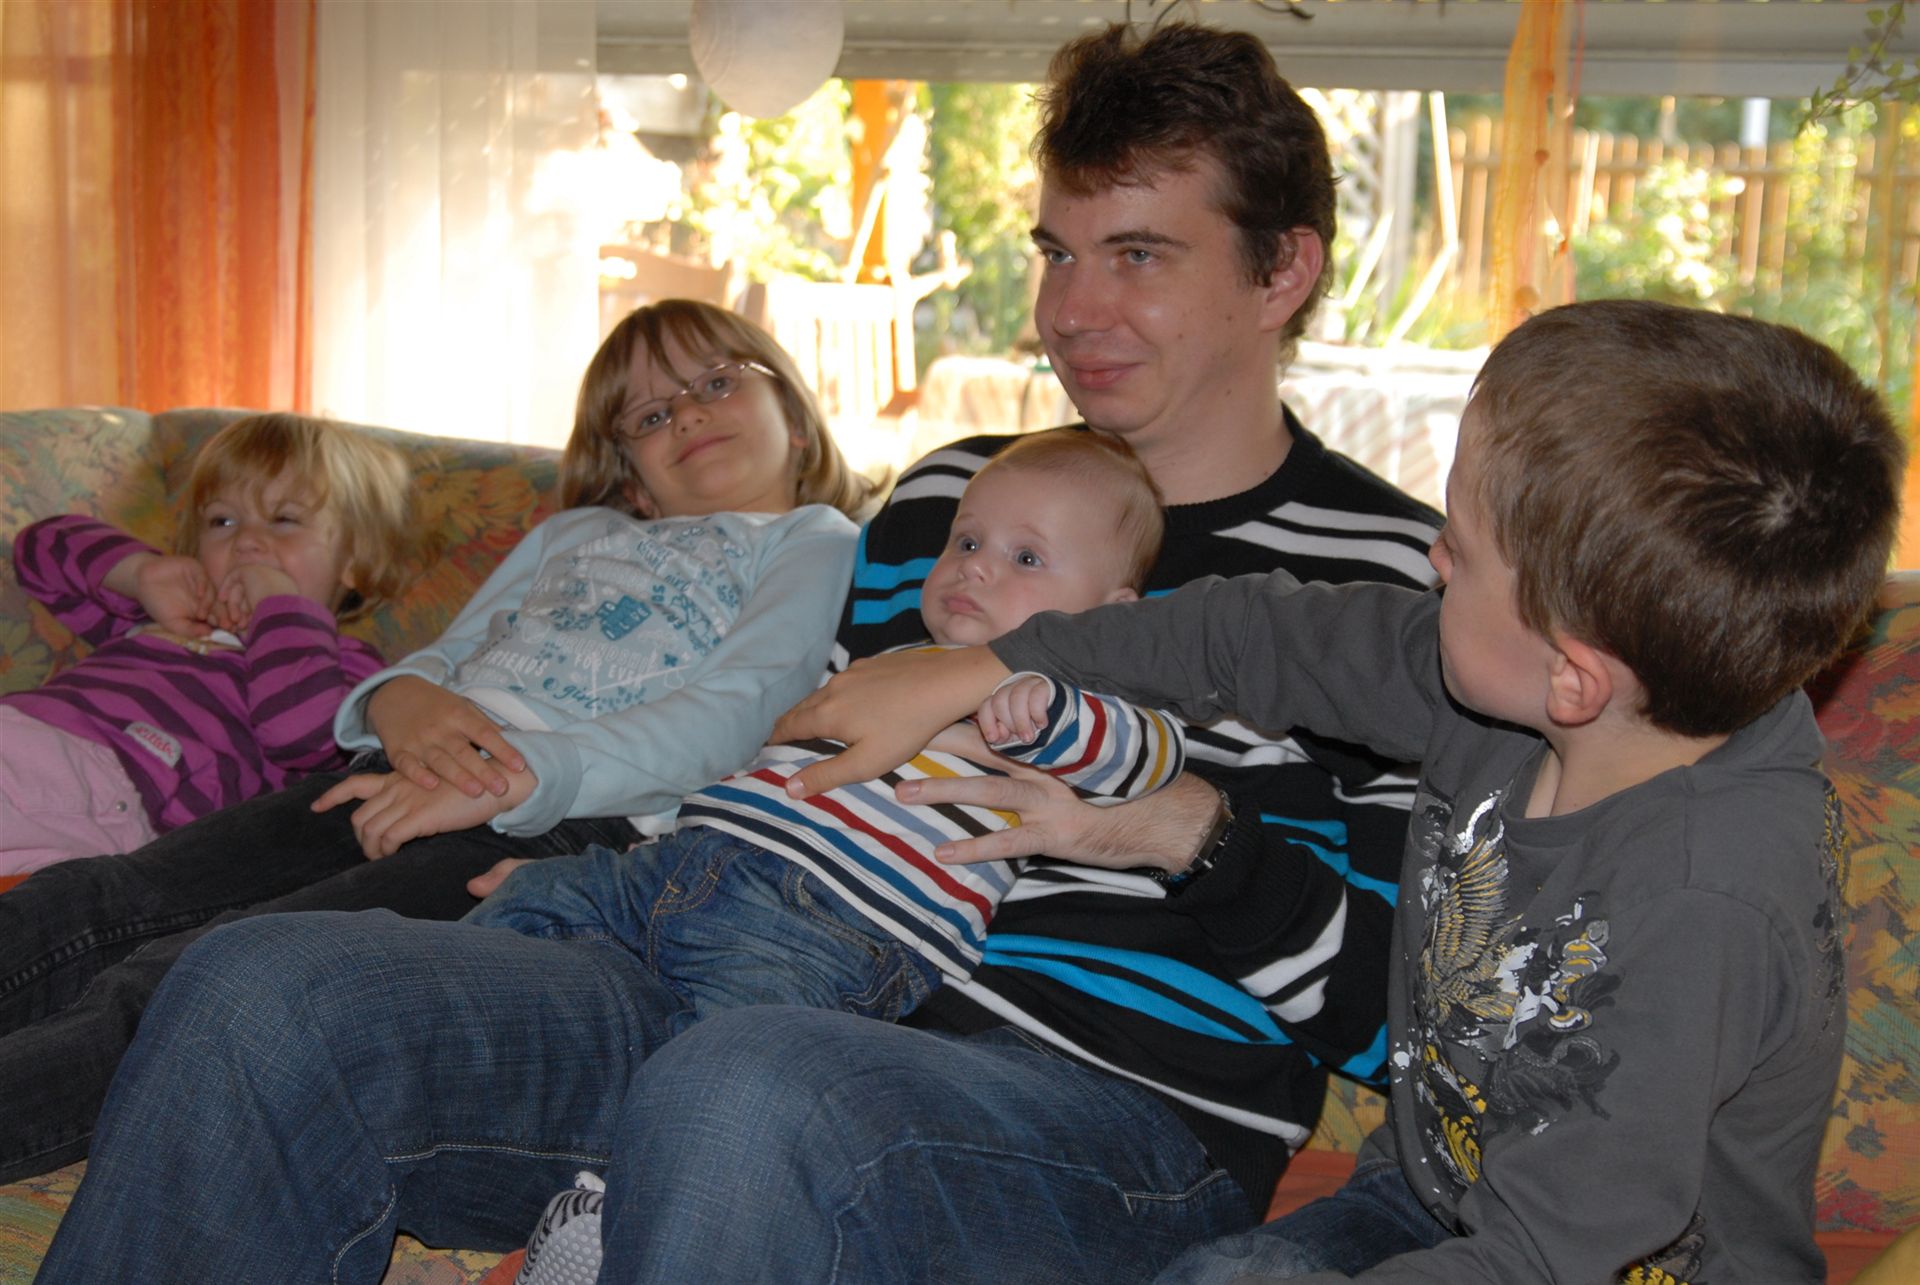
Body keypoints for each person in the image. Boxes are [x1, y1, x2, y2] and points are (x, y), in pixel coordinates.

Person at [33, 22, 1442, 1282]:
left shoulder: (1391, 579)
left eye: (1138, 255)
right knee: (266, 986)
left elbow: (1402, 1016)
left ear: (1282, 269)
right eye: (1057, 253)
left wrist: (1190, 832)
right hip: (728, 978)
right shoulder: (948, 498)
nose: (1072, 310)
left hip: (1098, 1104)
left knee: (751, 1087)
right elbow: (781, 747)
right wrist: (617, 862)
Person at [773, 300, 1905, 1283]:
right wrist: (986, 666)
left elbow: (1552, 1253)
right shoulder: (1517, 688)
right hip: (1428, 1190)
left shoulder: (1706, 902)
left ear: (1574, 674)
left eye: (1461, 550)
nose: (1431, 561)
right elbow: (1252, 634)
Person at [0, 299, 873, 1184]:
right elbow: (452, 653)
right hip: (397, 768)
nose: (685, 413)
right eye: (649, 415)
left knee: (192, 974)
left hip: (554, 817)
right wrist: (396, 697)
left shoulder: (817, 539)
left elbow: (741, 709)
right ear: (635, 482)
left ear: (797, 422)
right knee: (102, 893)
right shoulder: (577, 532)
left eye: (717, 383)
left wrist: (524, 775)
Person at [467, 428, 1180, 1029]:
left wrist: (1045, 696)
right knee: (528, 900)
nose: (977, 570)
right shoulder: (893, 665)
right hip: (686, 864)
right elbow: (774, 764)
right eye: (966, 542)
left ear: (1113, 614)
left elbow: (1146, 760)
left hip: (828, 925)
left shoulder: (1079, 700)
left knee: (711, 1056)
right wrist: (658, 849)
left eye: (1026, 558)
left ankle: (609, 1139)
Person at [1, 413, 414, 873]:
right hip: (34, 741)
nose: (247, 541)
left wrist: (280, 606)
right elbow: (39, 548)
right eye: (223, 520)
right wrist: (139, 573)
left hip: (122, 787)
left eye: (284, 520)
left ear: (354, 560)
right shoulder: (168, 613)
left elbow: (299, 736)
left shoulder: (348, 668)